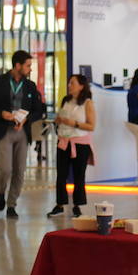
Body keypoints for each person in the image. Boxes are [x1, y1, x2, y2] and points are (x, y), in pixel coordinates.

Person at [0, 50, 45, 219]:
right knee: (6, 168)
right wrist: (1, 113)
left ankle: (11, 205)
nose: (30, 69)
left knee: (20, 170)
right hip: (3, 130)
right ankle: (0, 191)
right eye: (28, 66)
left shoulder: (30, 86)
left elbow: (39, 110)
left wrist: (26, 119)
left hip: (22, 132)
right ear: (18, 65)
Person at [48, 73, 96, 218]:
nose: (69, 85)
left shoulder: (88, 103)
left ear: (81, 86)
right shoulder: (66, 100)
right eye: (69, 83)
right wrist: (59, 120)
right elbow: (62, 117)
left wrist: (73, 123)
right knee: (61, 174)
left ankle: (77, 205)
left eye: (73, 83)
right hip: (64, 141)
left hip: (80, 143)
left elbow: (91, 126)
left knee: (79, 175)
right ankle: (60, 204)